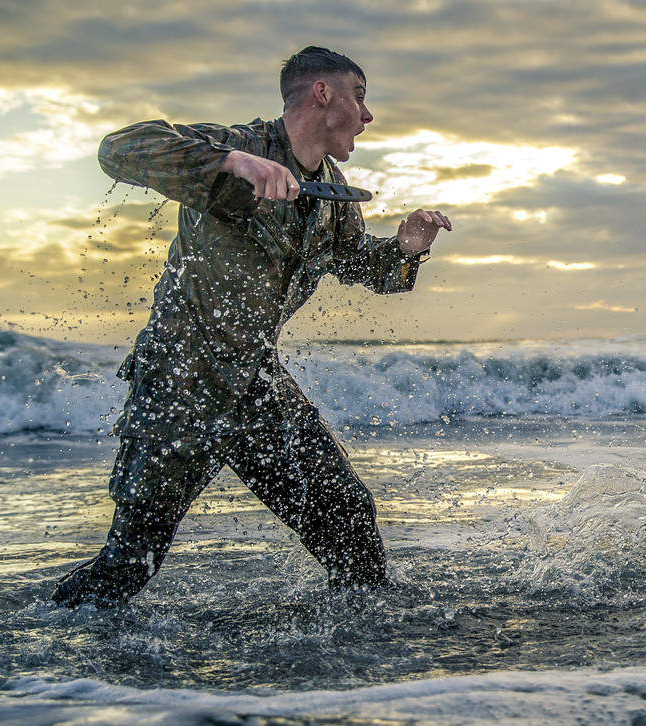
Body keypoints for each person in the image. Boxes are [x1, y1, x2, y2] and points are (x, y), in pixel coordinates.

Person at [52, 46, 452, 606]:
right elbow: (119, 149)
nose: (368, 116)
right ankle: (41, 679)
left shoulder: (333, 195)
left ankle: (342, 666)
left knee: (351, 527)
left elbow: (361, 265)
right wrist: (233, 163)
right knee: (127, 565)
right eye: (359, 98)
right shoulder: (239, 147)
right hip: (182, 381)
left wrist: (407, 250)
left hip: (256, 385)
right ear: (323, 94)